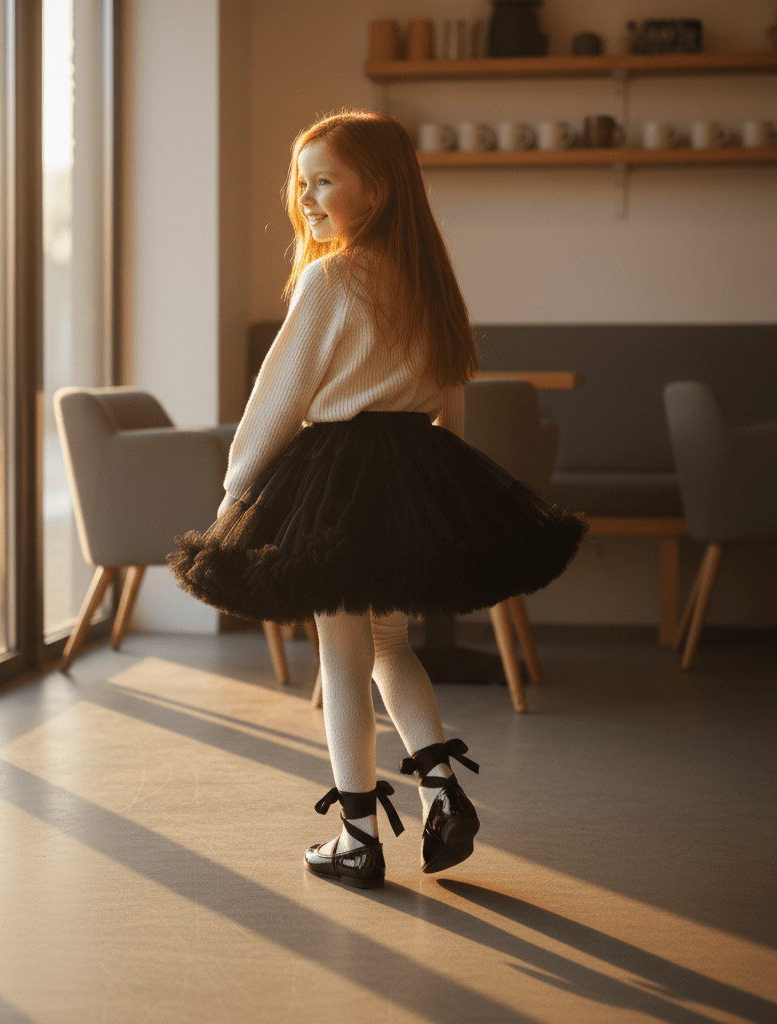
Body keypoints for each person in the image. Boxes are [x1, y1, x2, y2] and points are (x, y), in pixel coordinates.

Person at [169, 110, 586, 889]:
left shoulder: (331, 280)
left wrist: (238, 491)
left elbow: (277, 402)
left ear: (379, 189)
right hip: (412, 469)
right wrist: (441, 491)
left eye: (324, 181)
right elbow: (449, 405)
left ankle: (359, 838)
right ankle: (441, 789)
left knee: (343, 655)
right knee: (390, 646)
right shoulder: (433, 282)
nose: (308, 199)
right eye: (302, 184)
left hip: (335, 476)